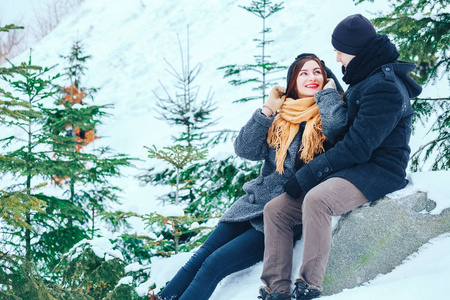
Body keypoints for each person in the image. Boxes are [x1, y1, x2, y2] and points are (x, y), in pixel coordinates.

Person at [150, 53, 347, 300]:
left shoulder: (331, 111)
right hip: (253, 203)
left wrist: (328, 96)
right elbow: (246, 149)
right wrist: (266, 111)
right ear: (293, 80)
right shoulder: (282, 115)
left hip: (281, 216)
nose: (311, 77)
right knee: (200, 257)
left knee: (214, 264)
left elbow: (338, 130)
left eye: (317, 72)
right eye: (303, 73)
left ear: (326, 78)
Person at [258, 14, 422, 300]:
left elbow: (358, 146)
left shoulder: (384, 86)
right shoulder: (367, 77)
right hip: (354, 167)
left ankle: (308, 286)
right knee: (277, 210)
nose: (336, 58)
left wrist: (306, 176)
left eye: (340, 51)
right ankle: (276, 290)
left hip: (379, 170)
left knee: (317, 200)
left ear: (355, 50)